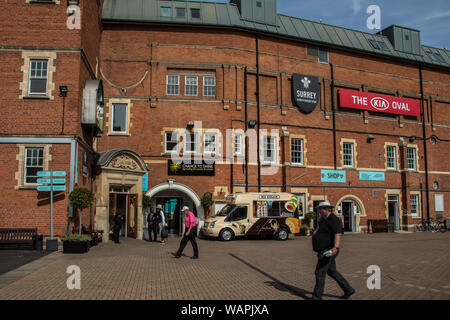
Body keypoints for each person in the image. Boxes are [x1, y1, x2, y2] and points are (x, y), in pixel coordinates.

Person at [311, 201, 355, 300]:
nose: (319, 211)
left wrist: (336, 247)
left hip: (329, 250)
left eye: (320, 209)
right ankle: (348, 290)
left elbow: (337, 233)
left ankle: (316, 296)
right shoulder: (323, 219)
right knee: (332, 272)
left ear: (326, 209)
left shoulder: (333, 219)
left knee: (320, 273)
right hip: (323, 250)